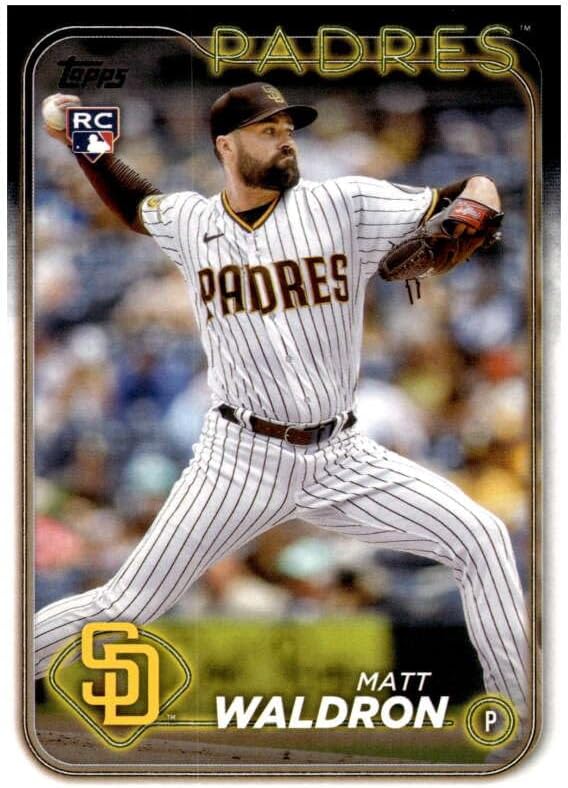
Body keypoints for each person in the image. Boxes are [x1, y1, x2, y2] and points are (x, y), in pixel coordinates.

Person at [35, 82, 529, 735]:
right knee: (124, 604)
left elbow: (470, 189)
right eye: (268, 130)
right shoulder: (192, 221)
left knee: (482, 537)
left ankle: (520, 719)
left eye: (289, 129)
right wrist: (80, 134)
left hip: (341, 456)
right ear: (226, 146)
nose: (286, 139)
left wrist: (477, 202)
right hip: (239, 459)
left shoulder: (344, 203)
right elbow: (134, 202)